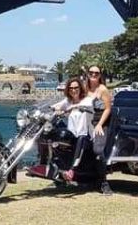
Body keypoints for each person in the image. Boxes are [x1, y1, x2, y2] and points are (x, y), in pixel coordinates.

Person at [51, 77, 94, 182]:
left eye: (76, 87)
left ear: (80, 88)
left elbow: (87, 106)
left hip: (86, 136)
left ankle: (72, 170)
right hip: (72, 135)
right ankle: (52, 164)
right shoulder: (68, 101)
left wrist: (73, 108)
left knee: (81, 138)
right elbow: (57, 106)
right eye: (70, 88)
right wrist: (50, 108)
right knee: (54, 132)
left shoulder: (87, 100)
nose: (73, 90)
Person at [86, 65, 113, 195]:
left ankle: (104, 182)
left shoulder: (102, 89)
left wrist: (99, 124)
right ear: (87, 73)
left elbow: (108, 109)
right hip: (84, 121)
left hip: (99, 122)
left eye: (96, 73)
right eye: (91, 72)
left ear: (100, 75)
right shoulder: (84, 88)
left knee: (98, 150)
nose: (93, 75)